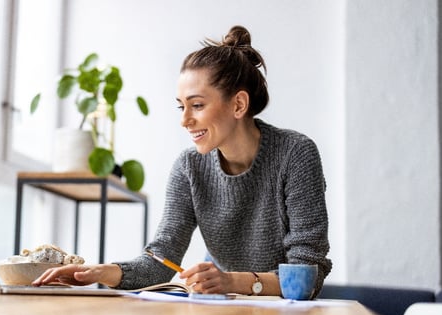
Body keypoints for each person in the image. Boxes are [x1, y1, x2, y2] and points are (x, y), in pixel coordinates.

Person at [33, 25, 332, 296]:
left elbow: (307, 275)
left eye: (197, 105)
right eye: (181, 107)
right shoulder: (189, 167)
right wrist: (101, 272)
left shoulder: (296, 153)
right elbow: (161, 260)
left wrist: (230, 281)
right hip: (223, 308)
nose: (185, 121)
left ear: (239, 104)